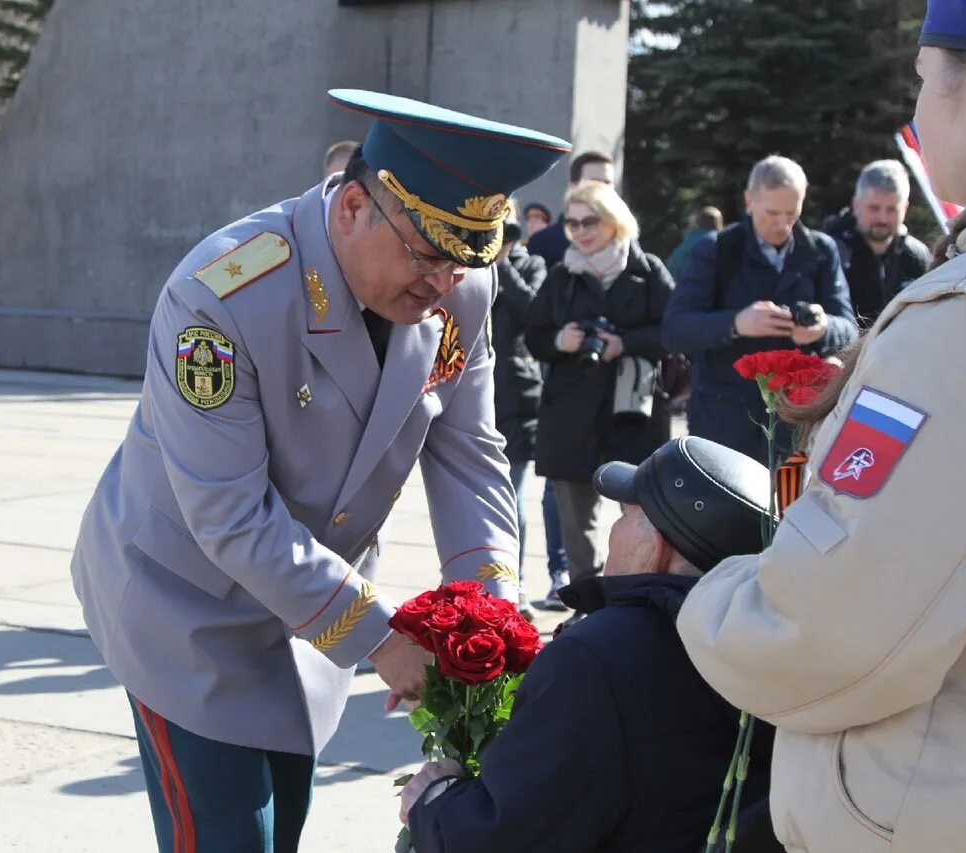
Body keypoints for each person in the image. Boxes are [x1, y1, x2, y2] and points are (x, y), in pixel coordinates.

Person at [71, 89, 570, 853]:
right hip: (185, 606)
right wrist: (382, 637)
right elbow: (230, 516)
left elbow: (468, 454)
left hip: (313, 615)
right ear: (351, 210)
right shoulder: (222, 296)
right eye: (428, 253)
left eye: (465, 258)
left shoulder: (460, 288)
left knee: (282, 829)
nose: (444, 282)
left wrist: (489, 612)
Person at [677, 7, 966, 850]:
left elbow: (832, 620)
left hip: (919, 804)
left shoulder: (955, 326)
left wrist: (702, 598)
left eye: (924, 76)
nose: (916, 110)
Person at [401, 436, 778, 852]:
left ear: (657, 549)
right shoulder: (779, 649)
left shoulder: (600, 657)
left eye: (625, 515)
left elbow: (505, 836)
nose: (612, 532)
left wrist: (434, 801)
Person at [524, 180, 673, 599]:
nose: (581, 232)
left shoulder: (648, 270)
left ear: (614, 221)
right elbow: (534, 334)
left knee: (642, 513)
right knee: (576, 520)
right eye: (572, 224)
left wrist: (625, 343)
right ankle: (586, 602)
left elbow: (674, 331)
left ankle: (635, 597)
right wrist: (560, 342)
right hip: (571, 414)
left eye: (590, 221)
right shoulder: (562, 275)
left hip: (632, 412)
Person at [661, 155, 858, 464]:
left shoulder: (820, 251)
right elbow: (675, 330)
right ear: (749, 200)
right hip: (723, 419)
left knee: (788, 510)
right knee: (722, 512)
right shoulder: (715, 250)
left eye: (792, 212)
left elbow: (849, 328)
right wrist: (736, 323)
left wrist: (822, 328)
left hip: (797, 418)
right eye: (771, 213)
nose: (782, 224)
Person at [490, 216, 547, 619]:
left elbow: (533, 312)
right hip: (472, 391)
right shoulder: (465, 260)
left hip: (517, 395)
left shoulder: (531, 265)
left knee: (510, 496)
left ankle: (514, 584)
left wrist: (503, 261)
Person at [821, 159, 932, 327]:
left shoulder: (916, 257)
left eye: (891, 209)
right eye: (874, 208)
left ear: (905, 209)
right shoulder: (829, 251)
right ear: (856, 204)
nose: (882, 218)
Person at [526, 150, 615, 267]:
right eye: (595, 183)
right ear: (574, 187)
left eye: (607, 183)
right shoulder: (543, 243)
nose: (602, 190)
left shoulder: (624, 240)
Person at [667, 205, 724, 282]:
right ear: (719, 224)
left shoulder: (680, 251)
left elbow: (671, 278)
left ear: (698, 224)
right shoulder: (723, 247)